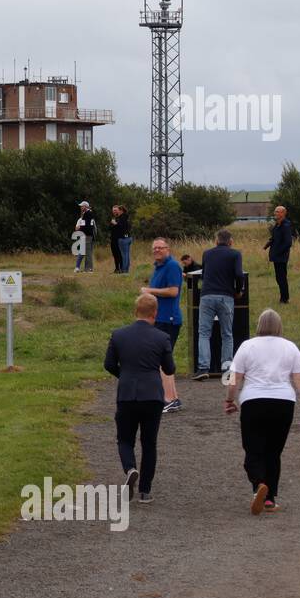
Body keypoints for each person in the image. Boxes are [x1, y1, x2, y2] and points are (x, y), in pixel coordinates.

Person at [224, 309, 300, 515]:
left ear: (259, 325)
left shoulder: (247, 346)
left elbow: (234, 378)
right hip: (283, 403)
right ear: (279, 326)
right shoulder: (290, 347)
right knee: (273, 452)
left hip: (254, 402)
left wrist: (230, 399)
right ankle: (269, 499)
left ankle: (258, 485)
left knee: (252, 448)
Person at [104, 294, 175, 504]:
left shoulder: (118, 335)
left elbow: (108, 364)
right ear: (155, 313)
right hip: (152, 395)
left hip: (127, 394)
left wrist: (125, 375)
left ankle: (130, 468)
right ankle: (145, 491)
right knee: (149, 443)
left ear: (136, 311)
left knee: (125, 439)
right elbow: (170, 368)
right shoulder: (162, 338)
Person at [142, 237, 183, 412]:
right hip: (159, 318)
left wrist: (149, 291)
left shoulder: (172, 266)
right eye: (155, 248)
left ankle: (168, 399)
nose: (157, 250)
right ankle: (173, 397)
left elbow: (173, 291)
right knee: (164, 359)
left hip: (169, 319)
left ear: (168, 249)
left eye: (160, 247)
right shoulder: (158, 267)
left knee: (160, 360)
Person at [195, 229, 243, 380]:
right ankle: (227, 368)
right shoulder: (235, 254)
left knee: (204, 333)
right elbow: (239, 274)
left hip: (207, 295)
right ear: (230, 241)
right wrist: (238, 290)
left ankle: (203, 367)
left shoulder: (207, 253)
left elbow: (203, 274)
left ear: (216, 241)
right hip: (225, 296)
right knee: (227, 333)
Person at [263, 205, 293, 304]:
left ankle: (285, 299)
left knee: (281, 277)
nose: (275, 213)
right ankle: (284, 297)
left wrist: (278, 252)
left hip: (282, 256)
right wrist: (267, 245)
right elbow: (274, 237)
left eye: (277, 212)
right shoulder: (277, 224)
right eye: (275, 211)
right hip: (276, 256)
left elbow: (288, 243)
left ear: (283, 213)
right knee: (279, 277)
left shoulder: (286, 225)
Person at [111, 205, 132, 274]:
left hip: (123, 238)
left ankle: (124, 270)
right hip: (128, 237)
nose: (117, 212)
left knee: (124, 255)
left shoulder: (122, 217)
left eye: (118, 210)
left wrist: (115, 223)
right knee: (127, 255)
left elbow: (121, 227)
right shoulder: (127, 217)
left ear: (121, 211)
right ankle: (126, 269)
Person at [77, 201, 96, 272]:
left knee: (88, 252)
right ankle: (87, 268)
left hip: (87, 235)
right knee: (89, 252)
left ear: (85, 206)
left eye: (82, 206)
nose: (81, 207)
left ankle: (89, 268)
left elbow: (87, 225)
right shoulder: (89, 213)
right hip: (89, 235)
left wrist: (80, 228)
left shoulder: (87, 214)